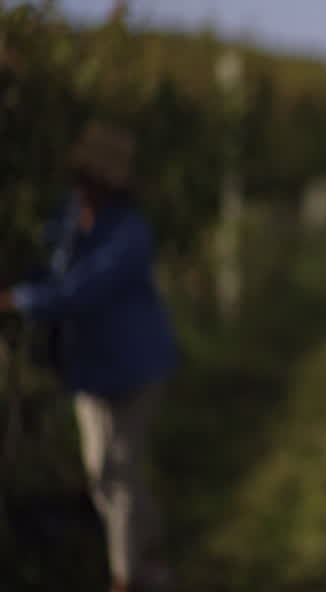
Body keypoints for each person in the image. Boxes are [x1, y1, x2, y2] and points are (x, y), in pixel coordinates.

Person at [1, 120, 178, 592]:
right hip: (89, 369)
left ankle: (126, 576)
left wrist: (21, 300)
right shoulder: (69, 216)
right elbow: (51, 265)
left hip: (134, 368)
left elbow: (84, 288)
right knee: (110, 471)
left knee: (114, 474)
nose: (84, 183)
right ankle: (151, 553)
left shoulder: (130, 233)